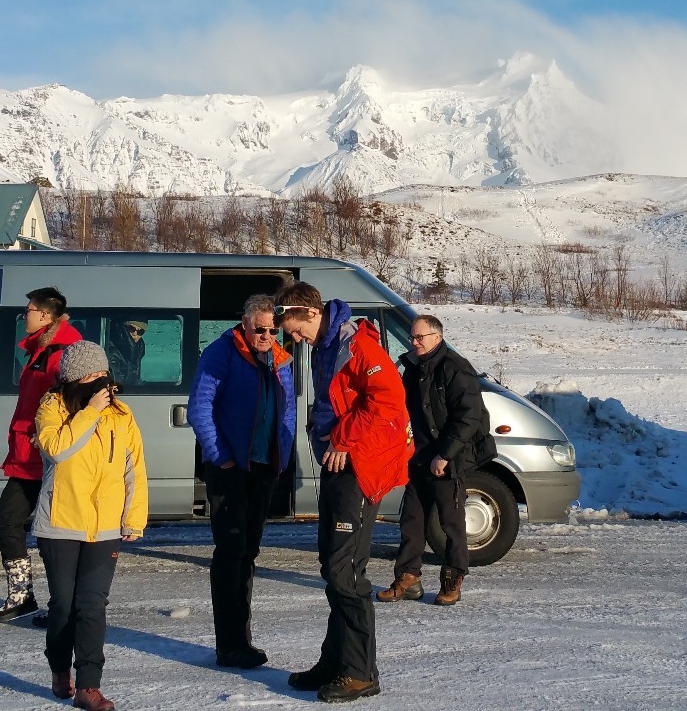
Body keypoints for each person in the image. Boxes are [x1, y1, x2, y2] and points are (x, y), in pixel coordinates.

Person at [277, 281, 412, 704]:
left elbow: (390, 400)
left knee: (345, 572)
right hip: (342, 467)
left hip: (358, 467)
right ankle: (334, 660)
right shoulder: (327, 344)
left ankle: (359, 672)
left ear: (312, 313)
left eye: (295, 329)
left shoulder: (357, 346)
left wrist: (342, 439)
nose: (293, 338)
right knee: (332, 566)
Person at [34, 340, 149, 711]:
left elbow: (135, 470)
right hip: (60, 524)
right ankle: (58, 669)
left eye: (104, 374)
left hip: (105, 528)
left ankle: (89, 685)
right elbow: (56, 449)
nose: (101, 383)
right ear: (74, 379)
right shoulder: (52, 408)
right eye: (92, 376)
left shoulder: (121, 414)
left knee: (92, 605)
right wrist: (89, 413)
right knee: (63, 606)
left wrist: (133, 519)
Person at [186, 293, 297, 669]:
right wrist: (222, 458)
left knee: (248, 553)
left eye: (272, 329)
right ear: (245, 324)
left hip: (264, 469)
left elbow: (288, 409)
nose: (266, 335)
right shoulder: (222, 353)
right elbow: (200, 407)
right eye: (259, 328)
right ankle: (229, 644)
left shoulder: (280, 359)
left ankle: (241, 640)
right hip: (232, 469)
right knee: (231, 554)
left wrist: (282, 454)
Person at [376, 314, 494, 607]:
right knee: (411, 521)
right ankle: (408, 577)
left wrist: (445, 454)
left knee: (451, 523)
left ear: (437, 338)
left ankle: (453, 578)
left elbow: (468, 416)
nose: (413, 342)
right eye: (412, 338)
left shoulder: (455, 367)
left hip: (447, 459)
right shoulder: (412, 368)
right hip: (418, 457)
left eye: (419, 338)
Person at [0, 287, 85, 624]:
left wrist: (43, 436)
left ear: (45, 315)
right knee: (16, 523)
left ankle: (58, 605)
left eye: (28, 310)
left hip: (44, 456)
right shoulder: (41, 350)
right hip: (31, 455)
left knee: (38, 528)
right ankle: (27, 597)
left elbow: (70, 403)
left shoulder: (60, 353)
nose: (23, 315)